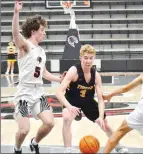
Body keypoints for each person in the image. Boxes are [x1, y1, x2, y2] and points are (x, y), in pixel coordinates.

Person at [56, 44, 129, 153]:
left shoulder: (96, 75)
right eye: (85, 58)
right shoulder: (74, 71)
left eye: (91, 58)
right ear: (81, 58)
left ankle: (118, 146)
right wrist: (69, 106)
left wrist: (100, 116)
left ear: (94, 59)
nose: (88, 61)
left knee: (105, 124)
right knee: (66, 117)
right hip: (72, 101)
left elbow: (100, 100)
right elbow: (58, 92)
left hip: (88, 102)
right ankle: (68, 150)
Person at [12, 1, 64, 154]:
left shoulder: (41, 51)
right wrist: (16, 13)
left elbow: (44, 73)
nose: (44, 33)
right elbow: (15, 34)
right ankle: (17, 148)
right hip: (24, 94)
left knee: (49, 123)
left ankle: (34, 142)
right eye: (42, 30)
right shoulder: (26, 46)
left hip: (38, 92)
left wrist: (60, 79)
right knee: (23, 130)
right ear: (34, 31)